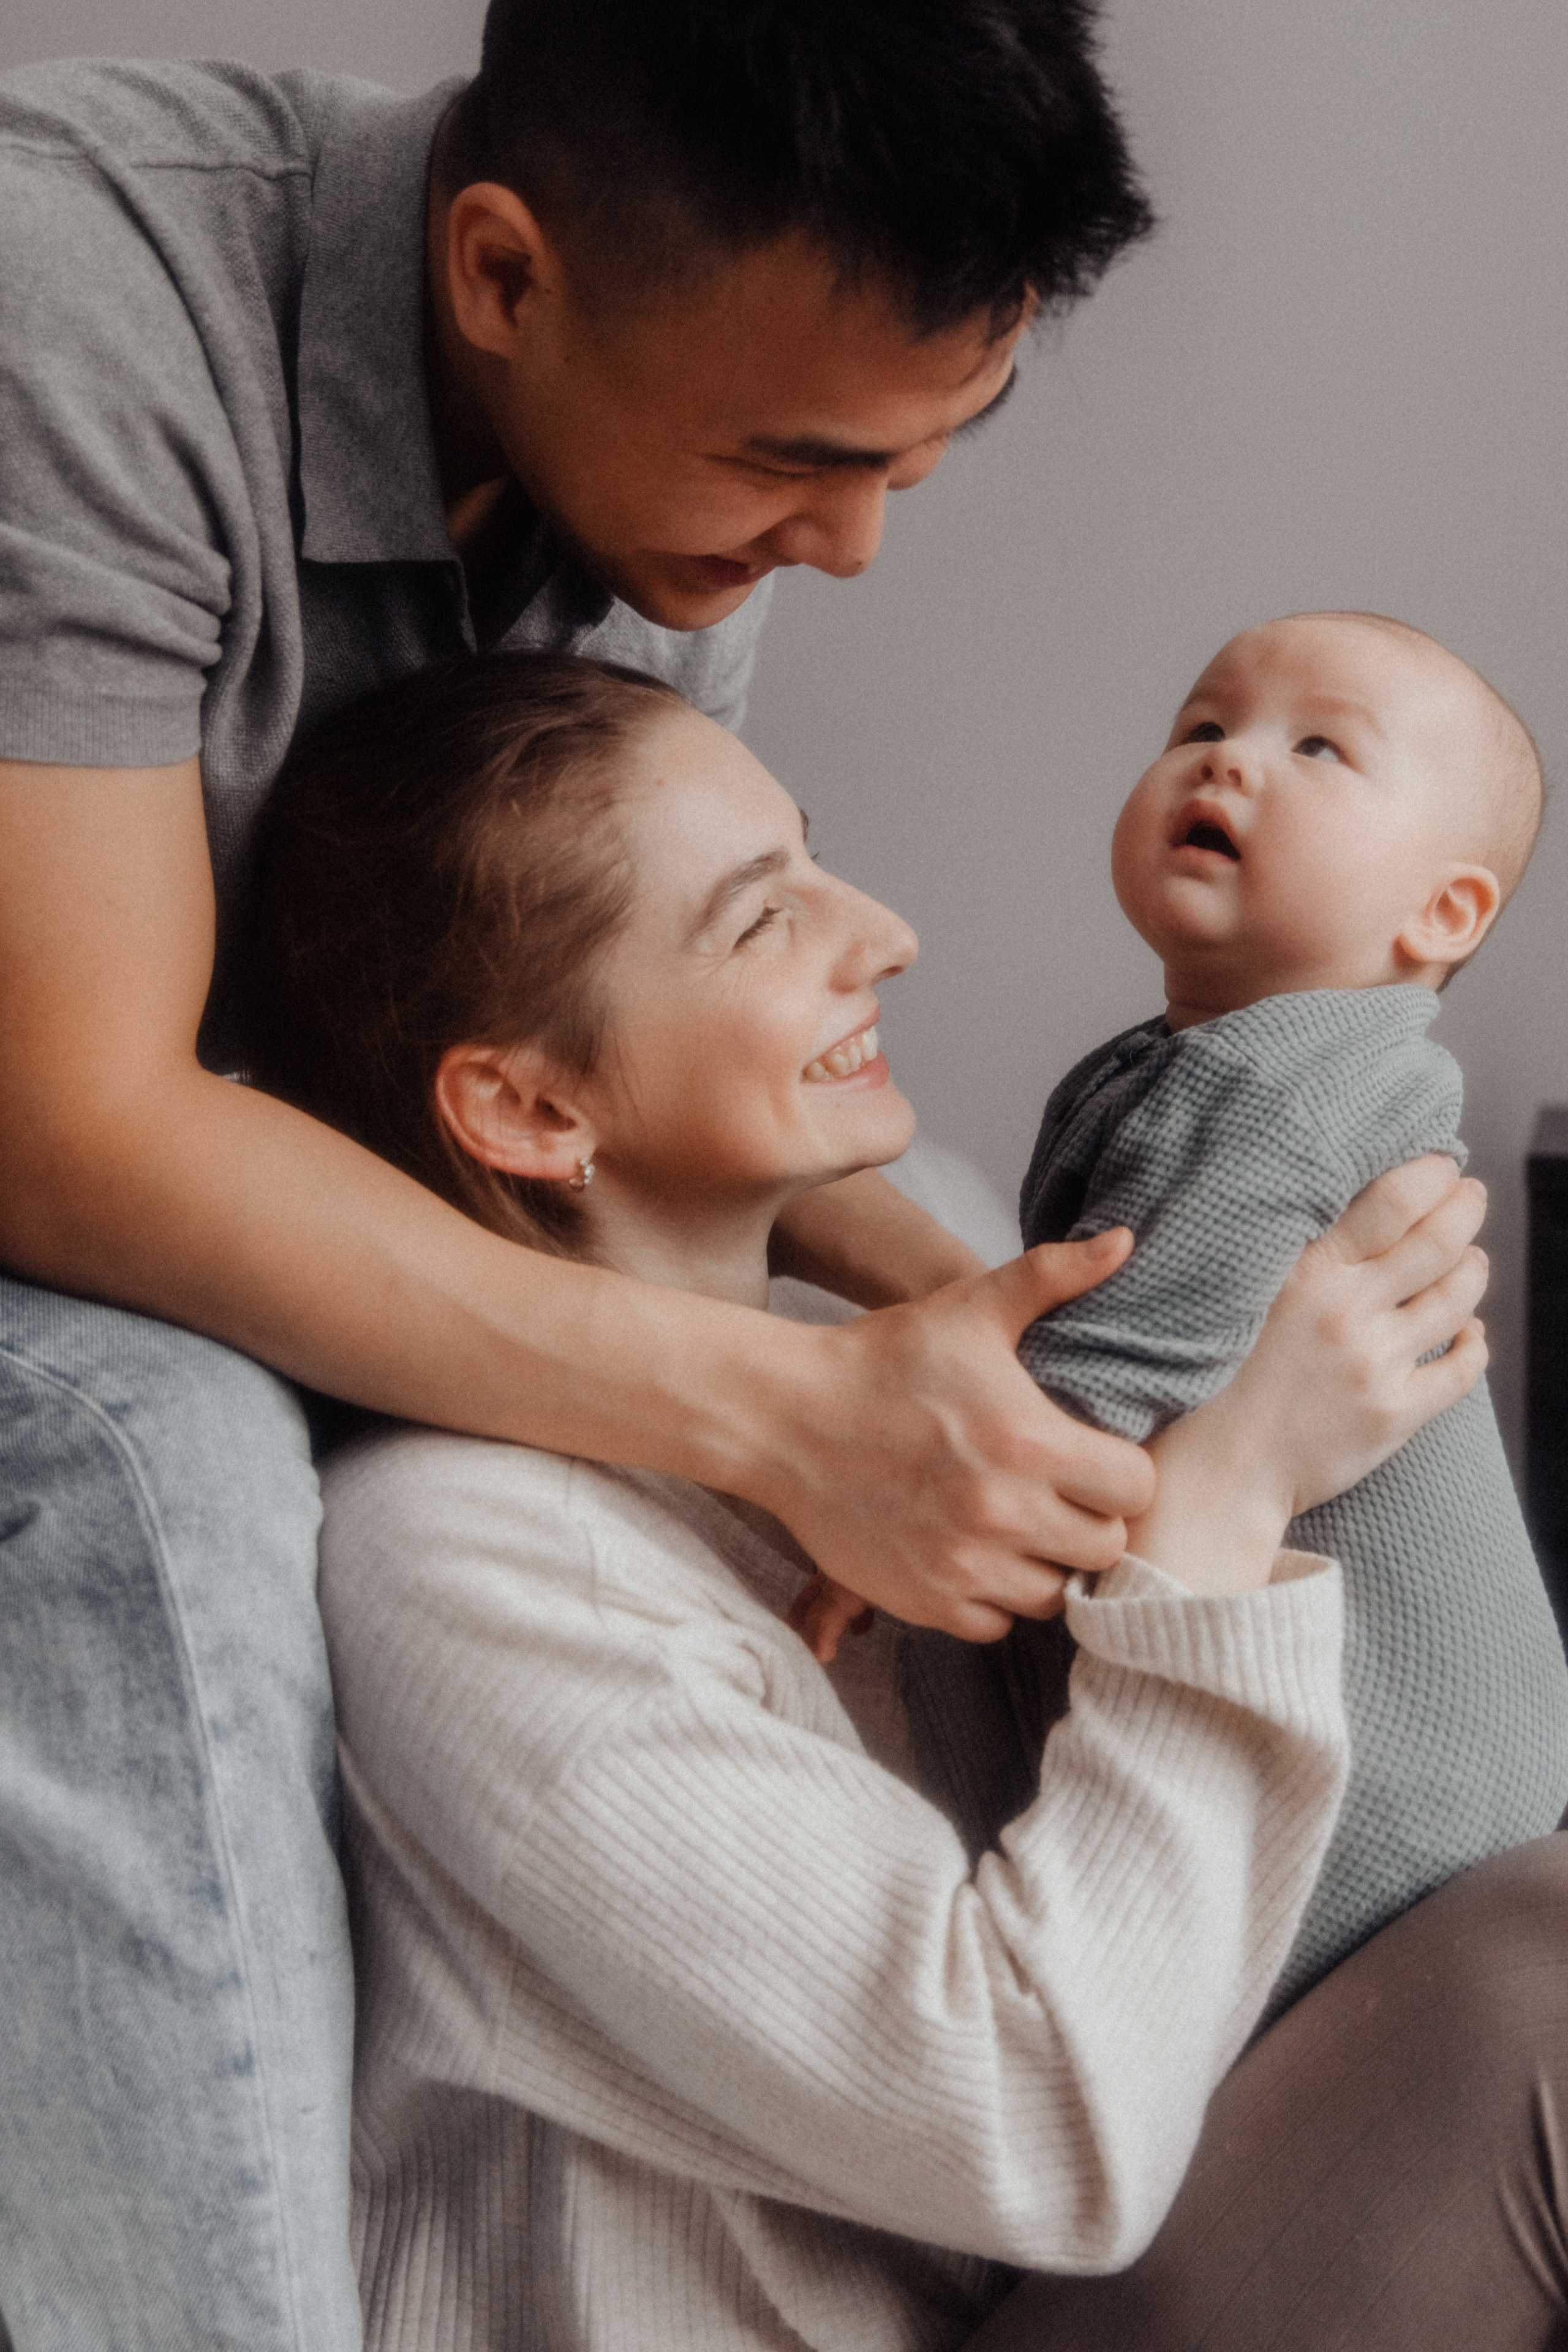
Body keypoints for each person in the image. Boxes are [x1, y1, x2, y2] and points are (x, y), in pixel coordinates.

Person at [0, 7, 1165, 2343]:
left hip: (221, 1117)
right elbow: (79, 1131)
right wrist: (793, 1419)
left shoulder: (634, 467)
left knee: (923, 1225)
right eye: (792, 462)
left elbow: (639, 1067)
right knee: (166, 1456)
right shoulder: (69, 302)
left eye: (912, 465)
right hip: (54, 1147)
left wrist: (988, 1332)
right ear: (504, 276)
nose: (845, 547)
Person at [249, 648, 1489, 2350]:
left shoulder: (871, 1396)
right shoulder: (470, 1565)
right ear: (531, 1105)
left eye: (817, 856)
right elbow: (1037, 2132)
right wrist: (1229, 1487)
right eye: (764, 918)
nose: (887, 934)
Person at [801, 608, 1568, 2017]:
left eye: (1318, 748)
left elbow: (1110, 1370)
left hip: (1389, 1762)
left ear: (1441, 914)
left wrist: (880, 1515)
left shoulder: (1294, 1085)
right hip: (1437, 1753)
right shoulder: (1205, 1060)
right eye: (1201, 727)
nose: (1225, 762)